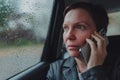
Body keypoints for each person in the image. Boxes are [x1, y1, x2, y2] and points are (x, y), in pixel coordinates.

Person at [46, 2, 109, 80]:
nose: (68, 36)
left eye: (80, 27)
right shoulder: (56, 69)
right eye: (66, 28)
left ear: (101, 34)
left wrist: (94, 71)